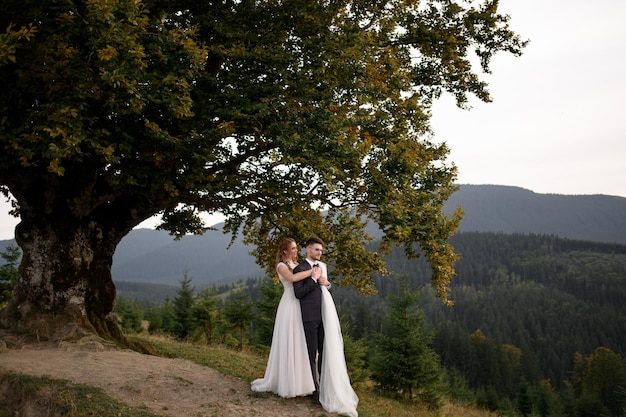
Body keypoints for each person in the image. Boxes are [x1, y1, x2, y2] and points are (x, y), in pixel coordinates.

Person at [294, 237, 358, 417]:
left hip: (324, 316)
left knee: (324, 351)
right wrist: (313, 280)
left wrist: (327, 284)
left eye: (320, 250)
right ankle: (312, 388)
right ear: (307, 250)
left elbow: (326, 290)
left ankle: (323, 386)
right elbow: (298, 293)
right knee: (311, 353)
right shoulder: (299, 269)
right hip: (308, 316)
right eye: (316, 250)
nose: (319, 253)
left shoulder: (323, 267)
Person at [250, 237, 322, 398]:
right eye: (293, 248)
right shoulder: (281, 266)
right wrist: (312, 272)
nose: (296, 251)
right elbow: (293, 279)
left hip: (301, 305)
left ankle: (302, 381)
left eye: (297, 248)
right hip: (289, 304)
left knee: (300, 343)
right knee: (291, 340)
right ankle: (288, 382)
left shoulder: (296, 265)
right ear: (284, 251)